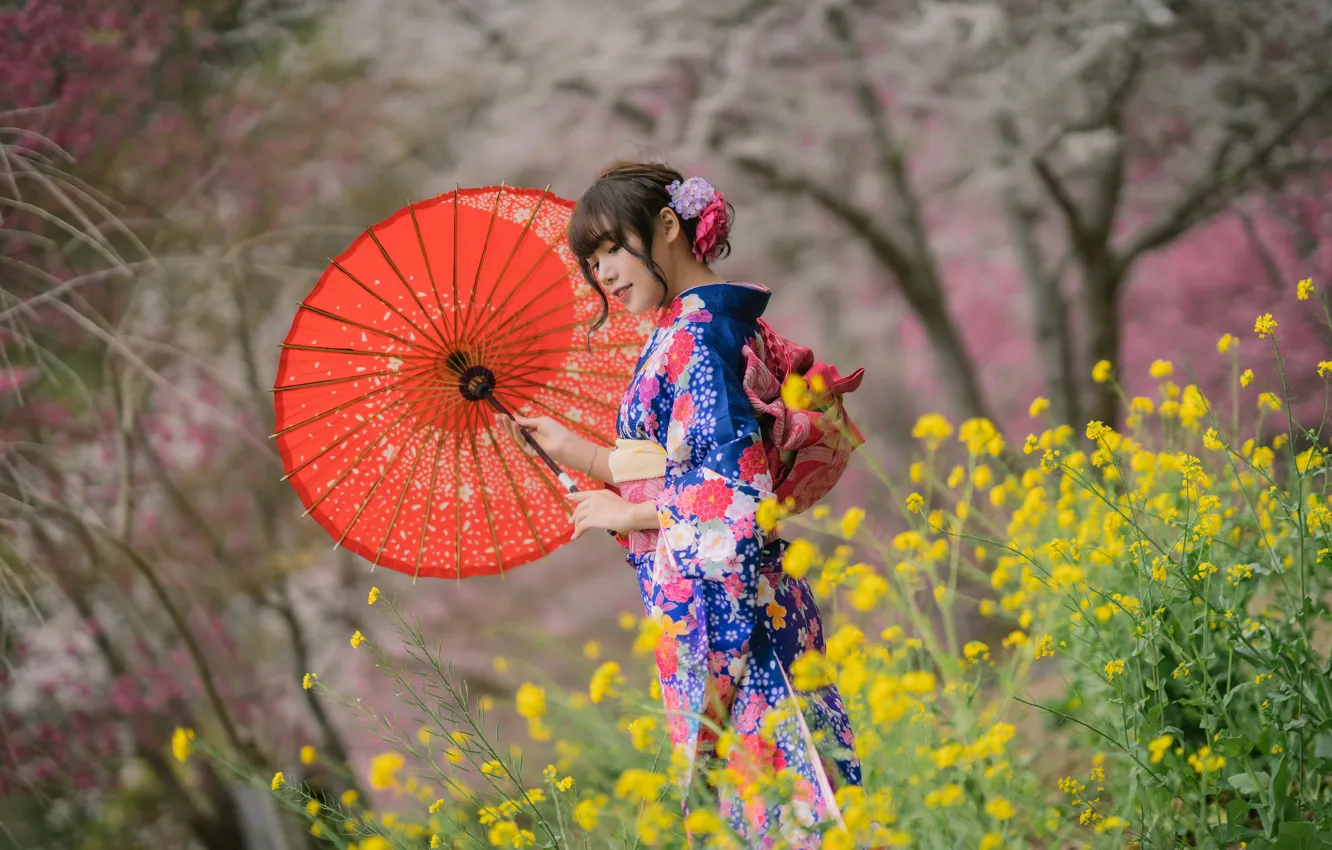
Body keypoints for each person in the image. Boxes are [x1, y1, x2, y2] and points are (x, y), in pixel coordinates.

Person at [495, 161, 861, 846]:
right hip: (727, 588)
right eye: (591, 260)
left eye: (610, 249)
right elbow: (673, 470)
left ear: (666, 226)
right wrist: (574, 453)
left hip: (737, 608)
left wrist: (625, 514)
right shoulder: (696, 330)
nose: (602, 273)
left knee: (784, 806)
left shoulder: (696, 339)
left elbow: (733, 499)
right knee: (773, 800)